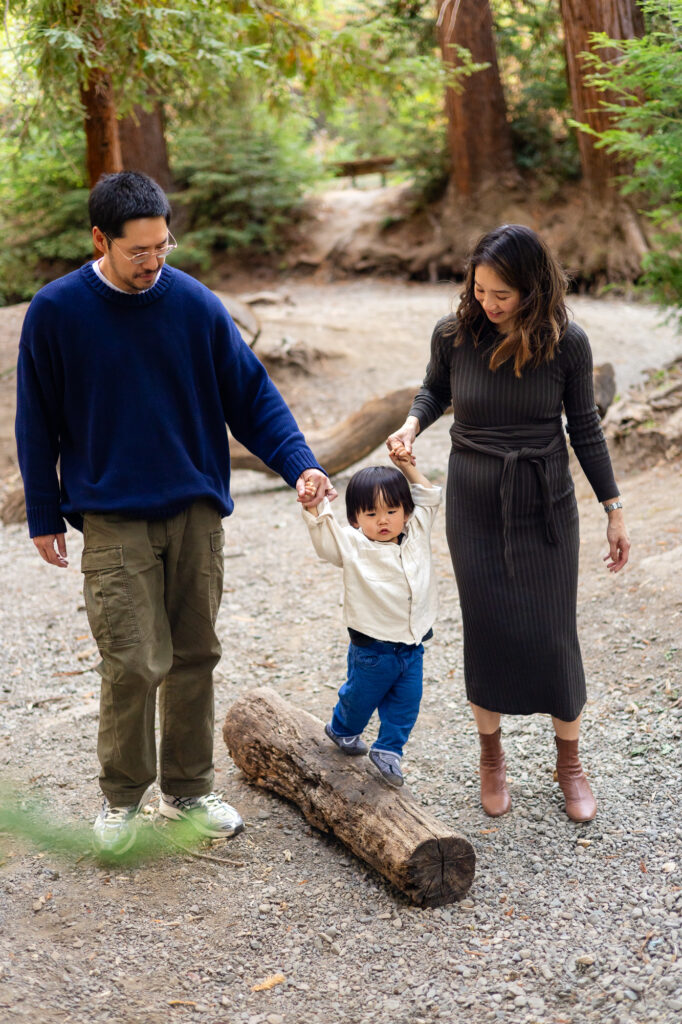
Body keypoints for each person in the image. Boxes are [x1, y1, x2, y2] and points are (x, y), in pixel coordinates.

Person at [15, 171, 334, 855]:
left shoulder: (193, 303)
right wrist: (43, 512)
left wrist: (299, 462)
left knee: (194, 653)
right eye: (139, 251)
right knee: (132, 660)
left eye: (163, 245)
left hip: (193, 509)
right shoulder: (57, 311)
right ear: (100, 239)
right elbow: (35, 421)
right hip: (111, 514)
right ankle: (122, 801)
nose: (155, 261)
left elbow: (252, 396)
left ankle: (188, 789)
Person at [387, 224, 630, 822]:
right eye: (480, 290)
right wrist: (411, 427)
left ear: (534, 287)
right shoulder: (455, 334)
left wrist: (613, 508)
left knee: (553, 632)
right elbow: (433, 391)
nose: (488, 304)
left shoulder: (567, 343)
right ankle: (491, 757)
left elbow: (587, 430)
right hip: (473, 497)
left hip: (544, 497)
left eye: (503, 294)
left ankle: (568, 762)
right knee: (488, 627)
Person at [300, 450, 441, 787]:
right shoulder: (352, 545)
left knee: (406, 704)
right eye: (371, 513)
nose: (383, 520)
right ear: (354, 519)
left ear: (406, 512)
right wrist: (314, 505)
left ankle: (389, 751)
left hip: (412, 645)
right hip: (373, 650)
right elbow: (326, 537)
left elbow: (430, 497)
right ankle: (342, 729)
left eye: (392, 511)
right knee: (360, 699)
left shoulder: (418, 531)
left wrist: (407, 466)